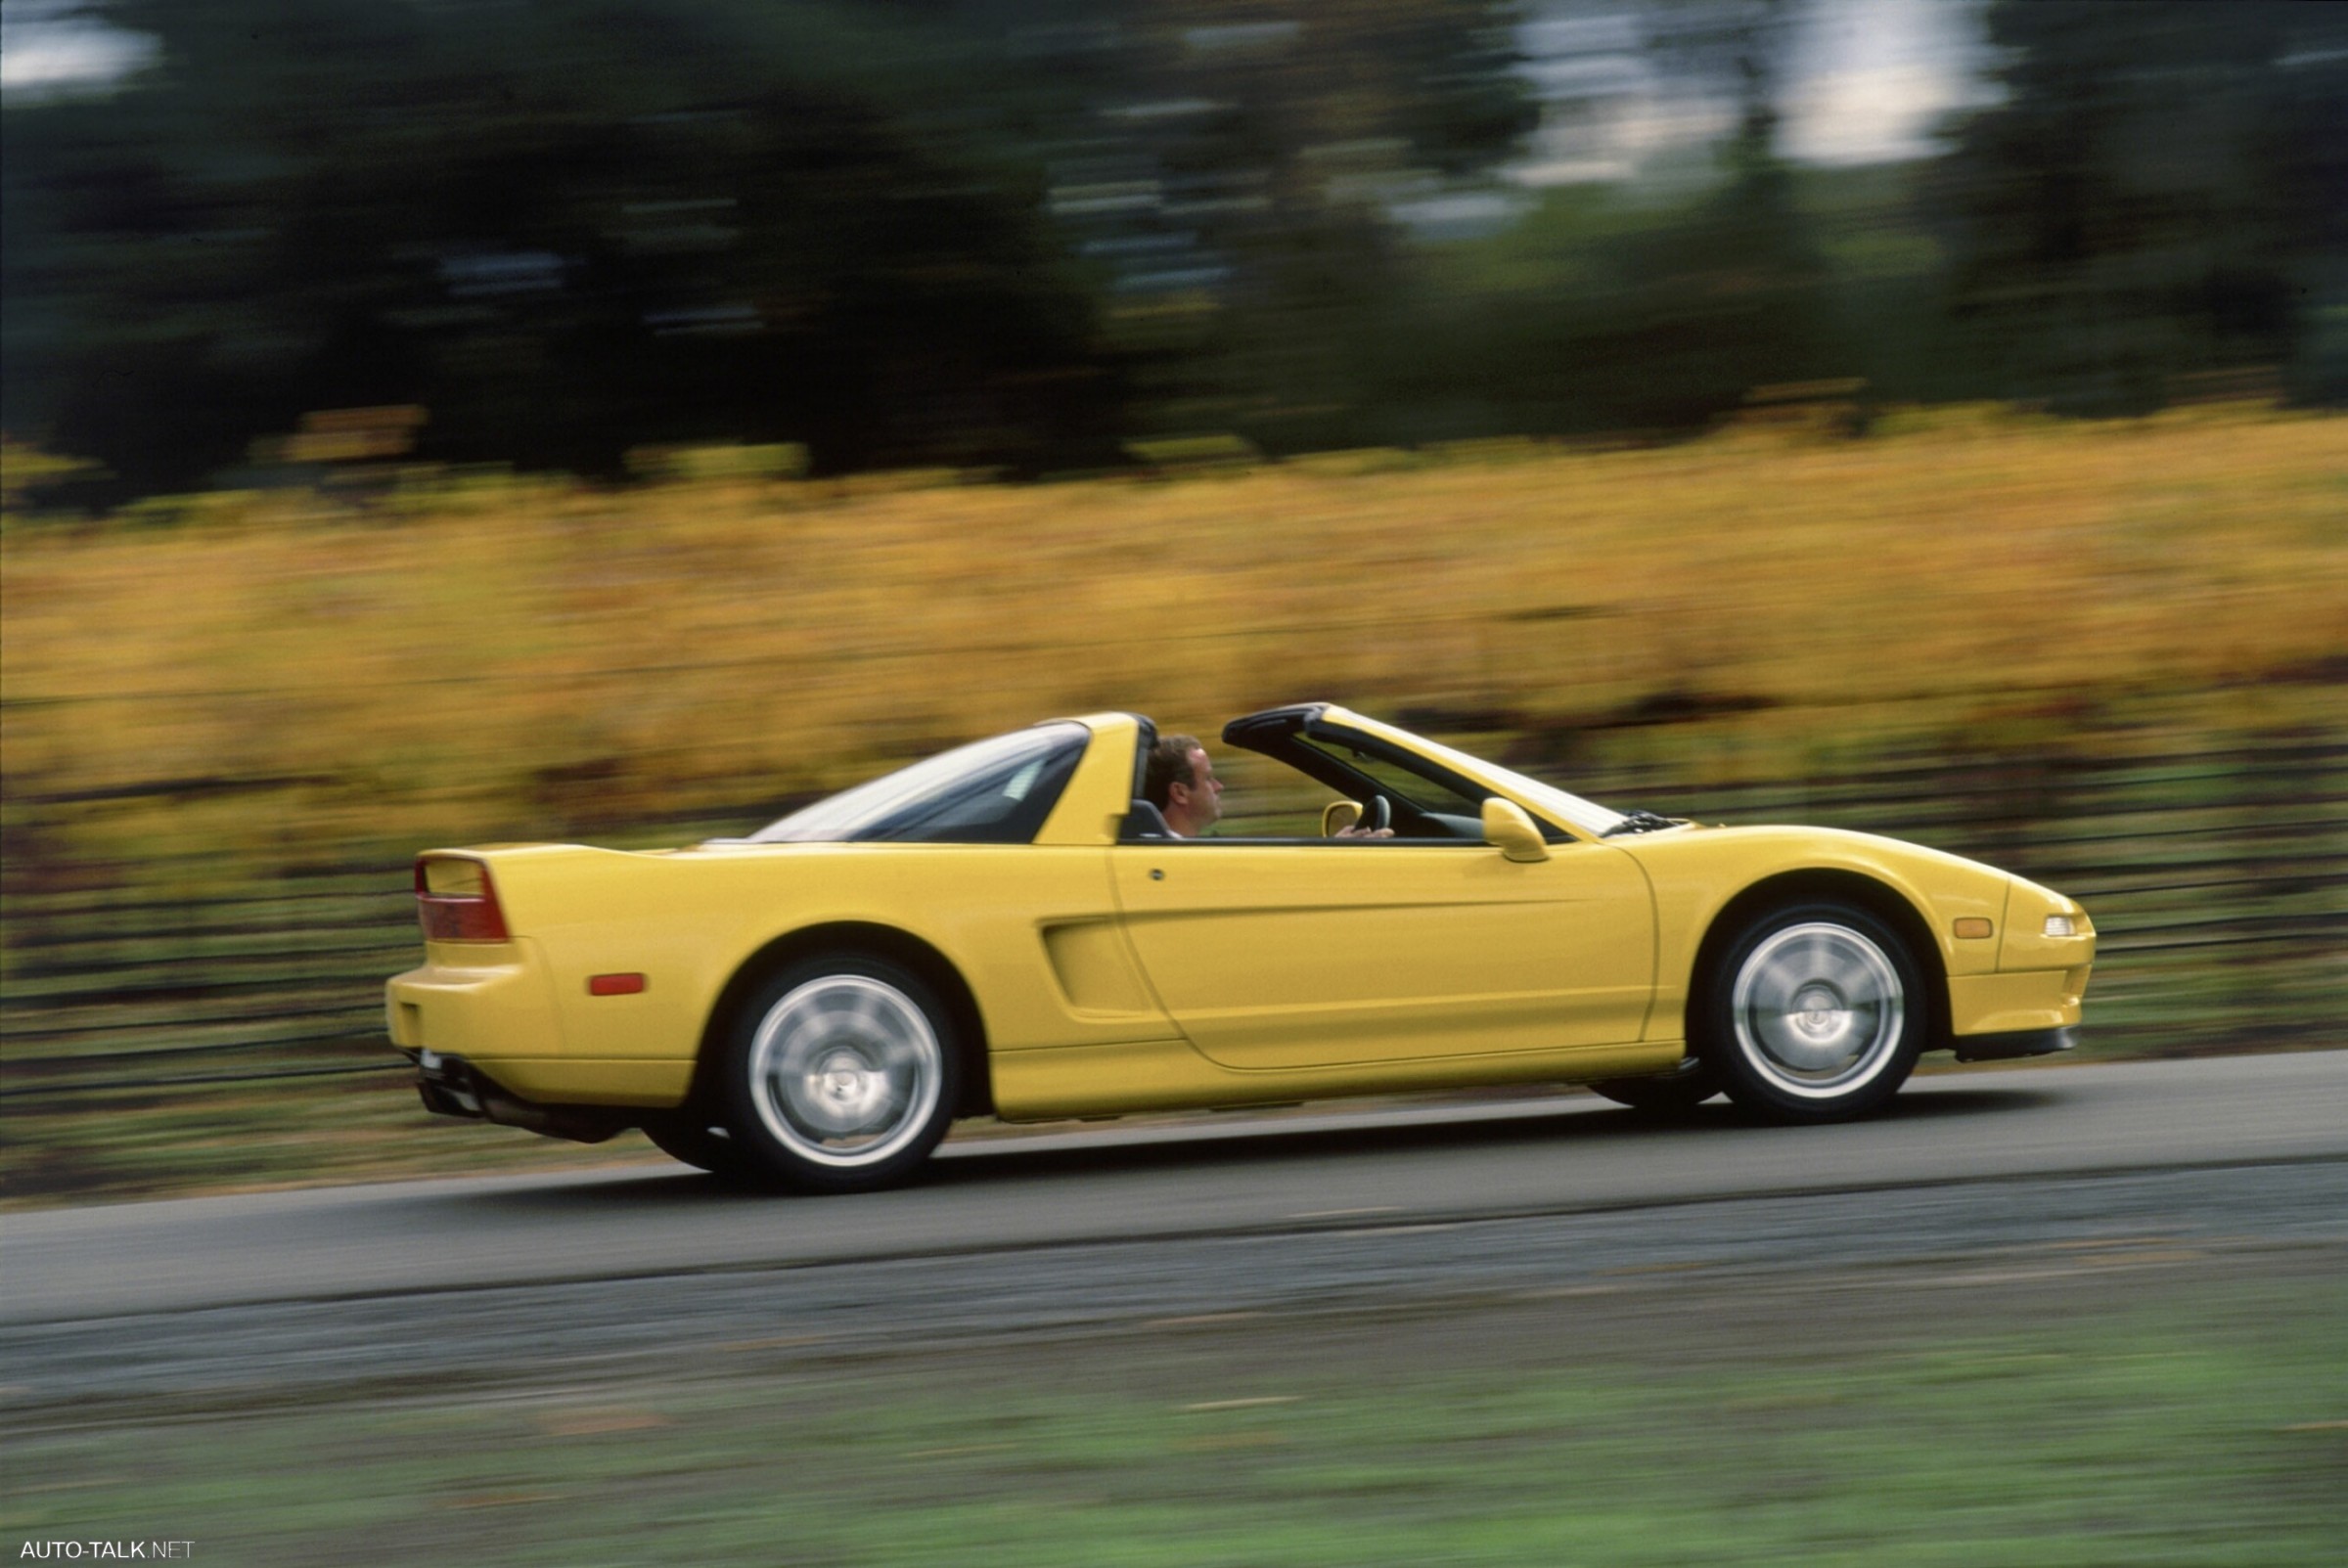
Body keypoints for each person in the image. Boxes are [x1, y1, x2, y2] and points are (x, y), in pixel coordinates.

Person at [1143, 733, 1390, 838]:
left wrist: (1333, 852)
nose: (1219, 786)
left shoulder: (1185, 851)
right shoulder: (1177, 860)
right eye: (1208, 778)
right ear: (1180, 792)